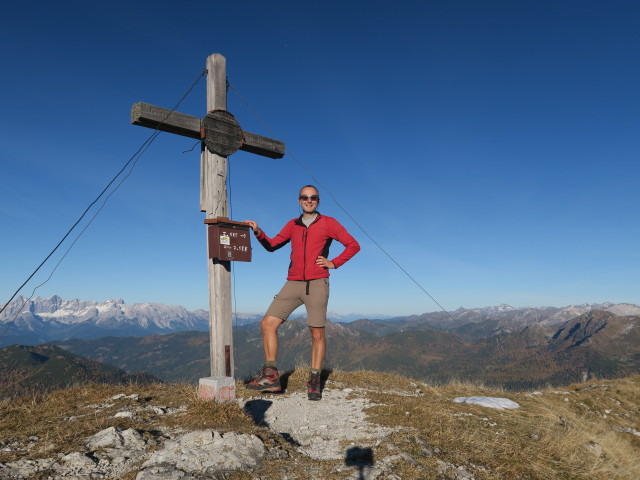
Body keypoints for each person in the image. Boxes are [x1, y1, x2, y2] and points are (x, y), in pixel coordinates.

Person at [243, 185, 360, 400]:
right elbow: (272, 245)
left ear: (318, 201)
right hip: (293, 282)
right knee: (268, 323)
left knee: (317, 333)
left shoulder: (329, 223)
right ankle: (271, 377)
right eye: (305, 197)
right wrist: (258, 232)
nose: (309, 200)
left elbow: (353, 245)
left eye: (313, 198)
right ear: (298, 200)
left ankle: (314, 380)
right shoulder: (292, 225)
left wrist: (334, 263)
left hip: (317, 282)